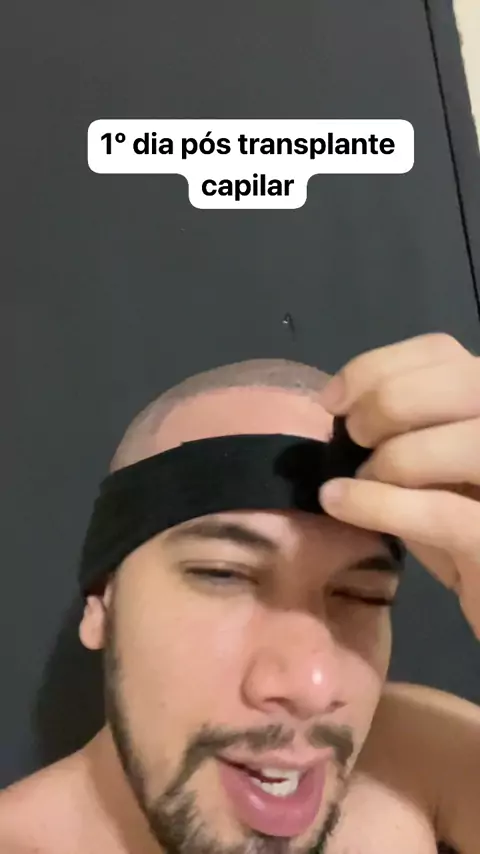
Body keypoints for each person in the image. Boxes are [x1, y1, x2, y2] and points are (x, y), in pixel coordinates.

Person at [1, 332, 479, 854]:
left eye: (361, 595)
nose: (312, 687)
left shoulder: (415, 755)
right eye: (224, 575)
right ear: (102, 601)